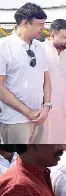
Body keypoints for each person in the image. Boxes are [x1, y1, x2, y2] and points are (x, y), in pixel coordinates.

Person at [0, 3, 51, 143]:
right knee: (18, 163)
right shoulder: (4, 47)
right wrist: (28, 112)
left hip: (40, 118)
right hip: (15, 121)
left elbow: (46, 79)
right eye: (39, 24)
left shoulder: (39, 46)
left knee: (39, 162)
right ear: (24, 23)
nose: (43, 28)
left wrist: (47, 106)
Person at [41, 19, 66, 144]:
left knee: (61, 141)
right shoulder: (40, 50)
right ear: (52, 35)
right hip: (43, 105)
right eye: (65, 37)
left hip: (63, 105)